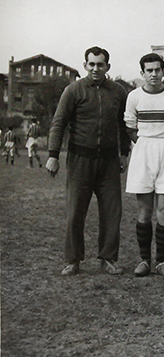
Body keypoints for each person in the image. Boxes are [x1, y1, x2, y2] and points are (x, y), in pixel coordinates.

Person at [46, 46, 130, 276]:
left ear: (107, 67)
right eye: (91, 64)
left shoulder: (118, 92)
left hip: (109, 161)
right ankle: (73, 260)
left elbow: (124, 125)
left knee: (112, 212)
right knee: (75, 212)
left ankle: (108, 258)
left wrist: (124, 153)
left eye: (100, 64)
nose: (95, 68)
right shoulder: (73, 90)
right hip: (80, 159)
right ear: (85, 65)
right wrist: (53, 155)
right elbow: (59, 123)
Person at [124, 53, 164, 277]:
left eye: (158, 70)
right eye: (149, 70)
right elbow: (130, 126)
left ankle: (161, 261)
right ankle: (144, 260)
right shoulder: (134, 96)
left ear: (163, 71)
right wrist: (143, 144)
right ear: (142, 73)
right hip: (144, 151)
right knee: (144, 210)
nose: (154, 74)